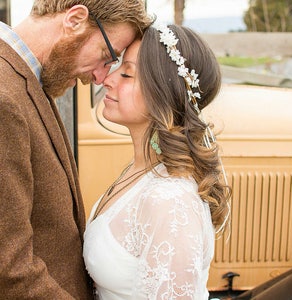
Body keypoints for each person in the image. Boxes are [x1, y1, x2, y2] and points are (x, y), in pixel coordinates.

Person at [0, 0, 152, 298]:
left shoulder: (23, 79)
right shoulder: (4, 97)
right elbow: (10, 269)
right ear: (75, 19)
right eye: (107, 56)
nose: (99, 77)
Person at [83, 24, 231, 300]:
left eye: (127, 73)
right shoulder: (140, 170)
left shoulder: (170, 199)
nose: (108, 80)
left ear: (164, 93)